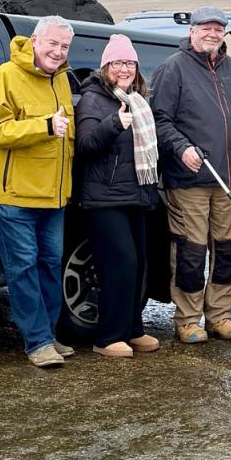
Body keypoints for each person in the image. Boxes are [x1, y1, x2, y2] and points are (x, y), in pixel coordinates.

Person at [0, 16, 75, 367]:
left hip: (53, 195)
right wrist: (45, 126)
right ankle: (37, 343)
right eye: (52, 43)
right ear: (34, 40)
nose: (57, 51)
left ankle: (48, 336)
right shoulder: (4, 76)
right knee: (22, 268)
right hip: (13, 196)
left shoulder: (61, 80)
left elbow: (69, 137)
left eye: (64, 46)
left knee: (50, 265)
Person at [151, 6, 231, 344]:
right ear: (192, 32)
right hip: (189, 179)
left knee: (226, 250)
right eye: (205, 28)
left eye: (218, 29)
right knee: (191, 252)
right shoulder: (173, 68)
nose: (212, 33)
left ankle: (219, 315)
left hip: (229, 178)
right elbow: (159, 119)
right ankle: (188, 320)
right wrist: (181, 147)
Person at [75, 35, 160, 358]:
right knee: (119, 264)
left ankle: (132, 329)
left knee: (138, 265)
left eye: (129, 63)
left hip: (134, 194)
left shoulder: (137, 99)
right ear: (105, 67)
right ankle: (108, 336)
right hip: (104, 197)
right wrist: (113, 123)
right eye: (117, 63)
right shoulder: (93, 99)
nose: (124, 69)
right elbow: (85, 145)